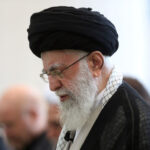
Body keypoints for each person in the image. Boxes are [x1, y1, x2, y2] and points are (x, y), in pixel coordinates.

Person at [27, 6, 150, 150]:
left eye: (59, 72)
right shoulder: (84, 109)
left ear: (95, 63)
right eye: (48, 74)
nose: (52, 86)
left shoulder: (135, 124)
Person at [0, 85, 52, 150]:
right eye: (2, 126)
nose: (6, 133)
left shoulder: (57, 143)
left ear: (33, 115)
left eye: (10, 125)